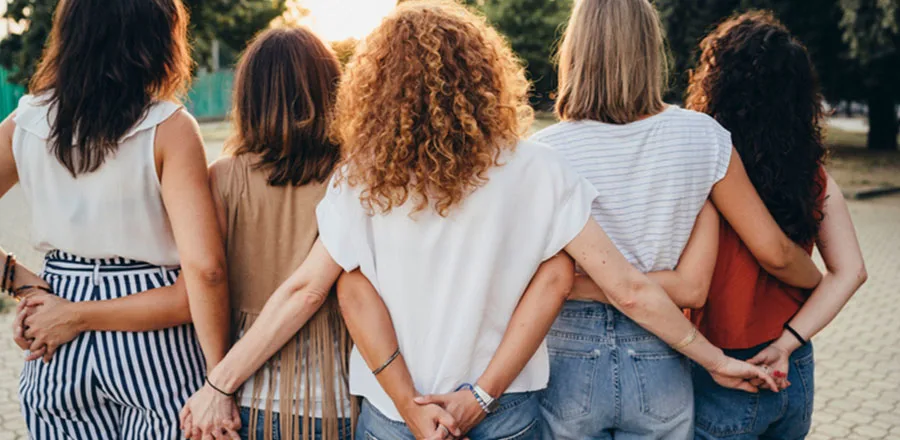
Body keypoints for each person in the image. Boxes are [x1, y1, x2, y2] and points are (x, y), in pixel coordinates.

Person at [180, 2, 777, 439]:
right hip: (504, 409)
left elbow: (310, 290)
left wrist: (219, 384)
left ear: (376, 87)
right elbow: (625, 288)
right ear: (485, 73)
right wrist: (715, 359)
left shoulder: (360, 179)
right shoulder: (538, 169)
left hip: (394, 414)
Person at [530, 1, 824, 438]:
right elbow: (713, 278)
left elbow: (528, 278)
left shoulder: (542, 153)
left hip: (568, 355)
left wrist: (580, 285)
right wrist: (818, 283)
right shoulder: (703, 138)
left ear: (574, 51)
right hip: (662, 349)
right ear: (651, 48)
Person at [0, 0, 235, 438]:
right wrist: (219, 380)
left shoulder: (25, 122)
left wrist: (21, 283)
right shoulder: (169, 127)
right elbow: (206, 270)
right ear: (154, 40)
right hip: (154, 334)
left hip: (55, 326)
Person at [685, 12, 867, 439]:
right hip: (791, 367)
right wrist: (786, 344)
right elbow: (852, 271)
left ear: (717, 85)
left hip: (723, 369)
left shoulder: (704, 170)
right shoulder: (812, 174)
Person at [207, 27, 354, 440]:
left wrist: (215, 382)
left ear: (248, 98)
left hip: (243, 394)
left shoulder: (221, 177)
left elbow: (206, 279)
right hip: (333, 399)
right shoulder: (352, 176)